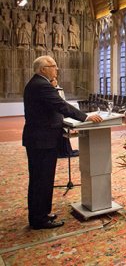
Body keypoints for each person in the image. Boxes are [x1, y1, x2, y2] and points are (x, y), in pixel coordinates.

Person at [23, 56, 102, 230]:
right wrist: (85, 116)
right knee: (41, 179)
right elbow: (61, 105)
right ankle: (39, 219)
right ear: (43, 69)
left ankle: (40, 214)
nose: (56, 69)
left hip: (39, 139)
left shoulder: (38, 84)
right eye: (54, 66)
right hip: (41, 140)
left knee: (40, 179)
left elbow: (52, 108)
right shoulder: (41, 85)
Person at [50, 78, 79, 158]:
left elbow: (63, 100)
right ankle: (63, 151)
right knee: (61, 131)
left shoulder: (59, 89)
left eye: (56, 80)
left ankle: (67, 150)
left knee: (63, 131)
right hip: (54, 116)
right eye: (53, 80)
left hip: (60, 114)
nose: (55, 81)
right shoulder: (49, 90)